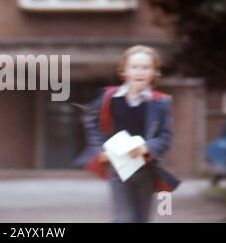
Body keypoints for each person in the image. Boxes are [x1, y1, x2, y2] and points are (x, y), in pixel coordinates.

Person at [74, 45, 180, 222]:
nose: (140, 72)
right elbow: (93, 124)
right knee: (123, 219)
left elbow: (165, 136)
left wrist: (147, 147)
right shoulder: (108, 97)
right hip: (118, 168)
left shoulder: (160, 103)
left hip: (146, 169)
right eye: (135, 67)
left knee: (140, 219)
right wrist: (100, 149)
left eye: (146, 68)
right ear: (124, 71)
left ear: (154, 73)